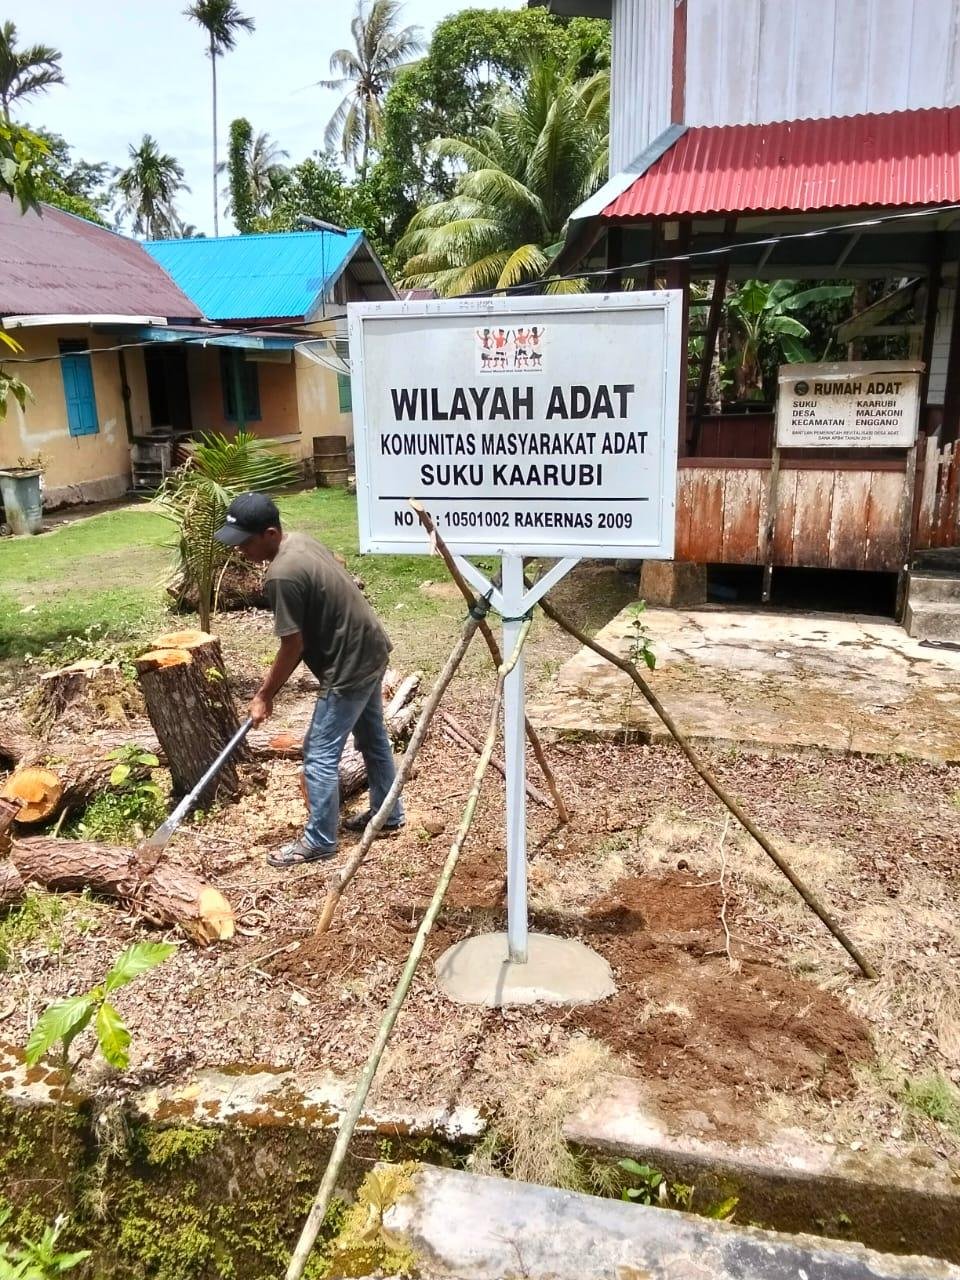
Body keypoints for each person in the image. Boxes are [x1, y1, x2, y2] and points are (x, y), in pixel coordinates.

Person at [214, 492, 404, 867]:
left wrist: (264, 695)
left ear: (269, 534)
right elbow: (334, 567)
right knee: (373, 738)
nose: (240, 551)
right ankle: (389, 814)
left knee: (318, 754)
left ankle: (319, 840)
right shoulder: (299, 541)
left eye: (245, 543)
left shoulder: (280, 575)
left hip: (348, 666)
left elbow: (292, 645)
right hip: (372, 648)